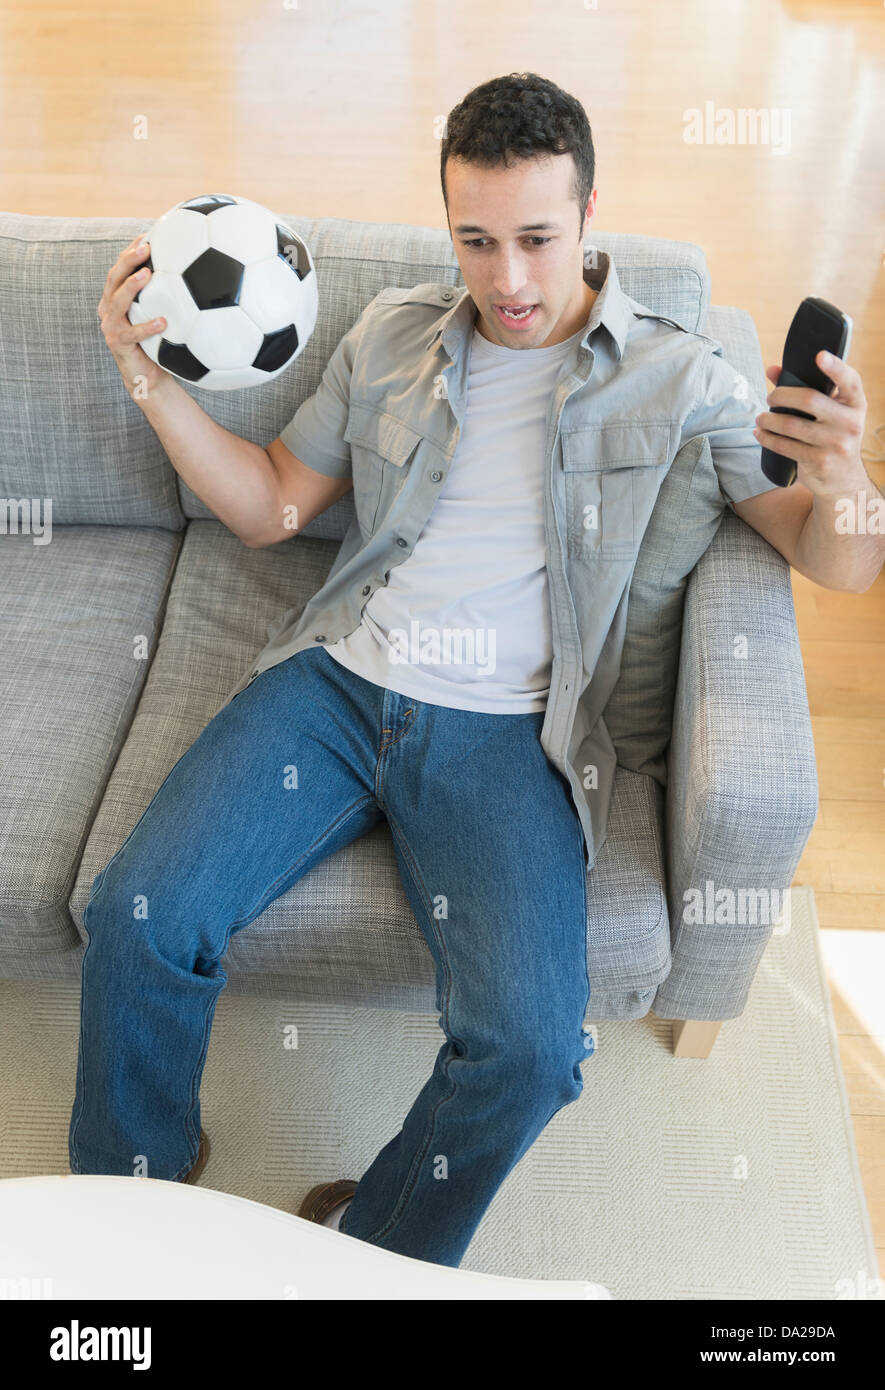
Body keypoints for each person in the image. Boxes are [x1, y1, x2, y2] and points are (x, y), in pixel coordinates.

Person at [70, 72, 880, 1270]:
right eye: (477, 241)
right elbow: (273, 507)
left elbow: (835, 564)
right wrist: (142, 373)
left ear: (592, 210)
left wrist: (850, 473)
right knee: (138, 911)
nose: (507, 279)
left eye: (539, 240)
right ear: (447, 223)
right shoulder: (393, 334)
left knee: (534, 1046)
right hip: (341, 690)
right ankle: (136, 1191)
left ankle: (379, 1247)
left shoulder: (686, 373)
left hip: (510, 738)